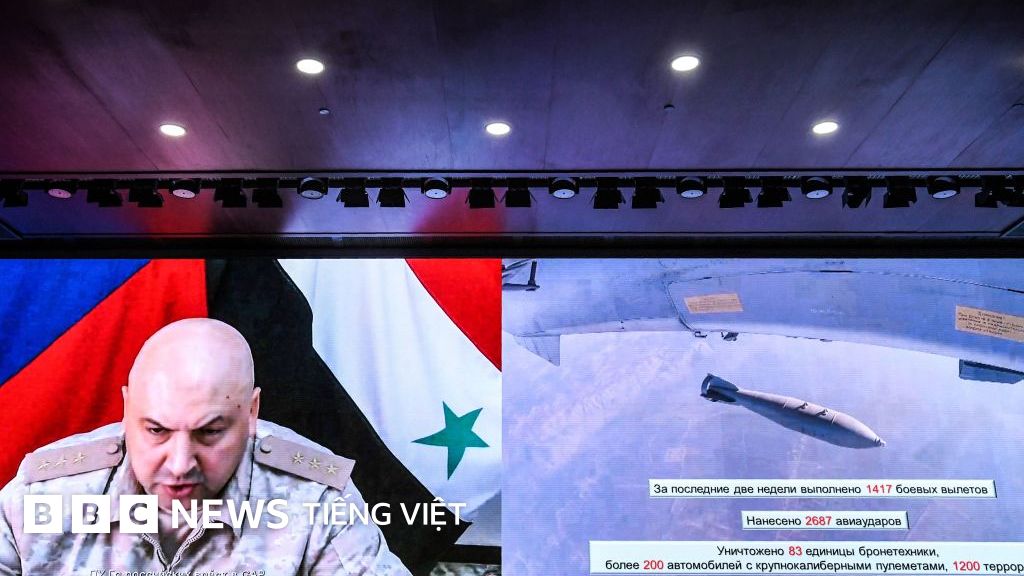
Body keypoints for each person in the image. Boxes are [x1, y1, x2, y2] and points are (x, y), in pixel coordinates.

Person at [0, 318, 411, 575]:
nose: (180, 464)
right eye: (156, 430)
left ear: (251, 413)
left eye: (209, 433)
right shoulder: (44, 494)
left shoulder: (316, 499)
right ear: (126, 409)